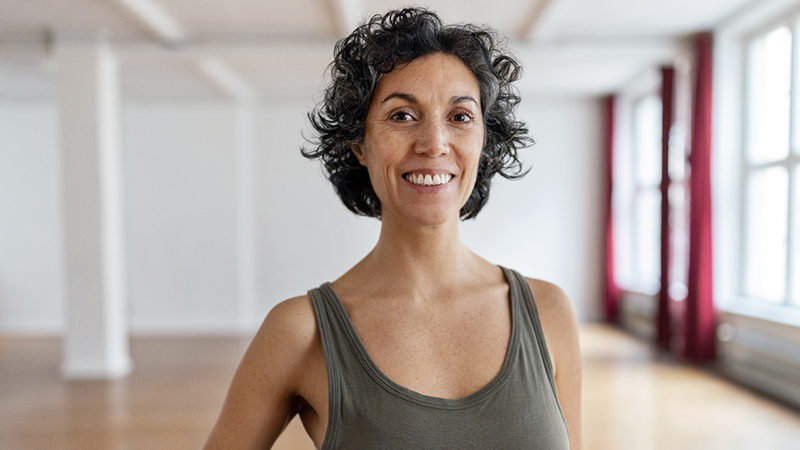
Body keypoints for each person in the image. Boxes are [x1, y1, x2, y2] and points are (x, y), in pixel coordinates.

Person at [204, 7, 581, 449]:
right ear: (359, 143)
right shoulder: (299, 332)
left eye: (460, 117)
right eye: (402, 115)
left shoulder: (549, 312)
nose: (434, 143)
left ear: (484, 139)